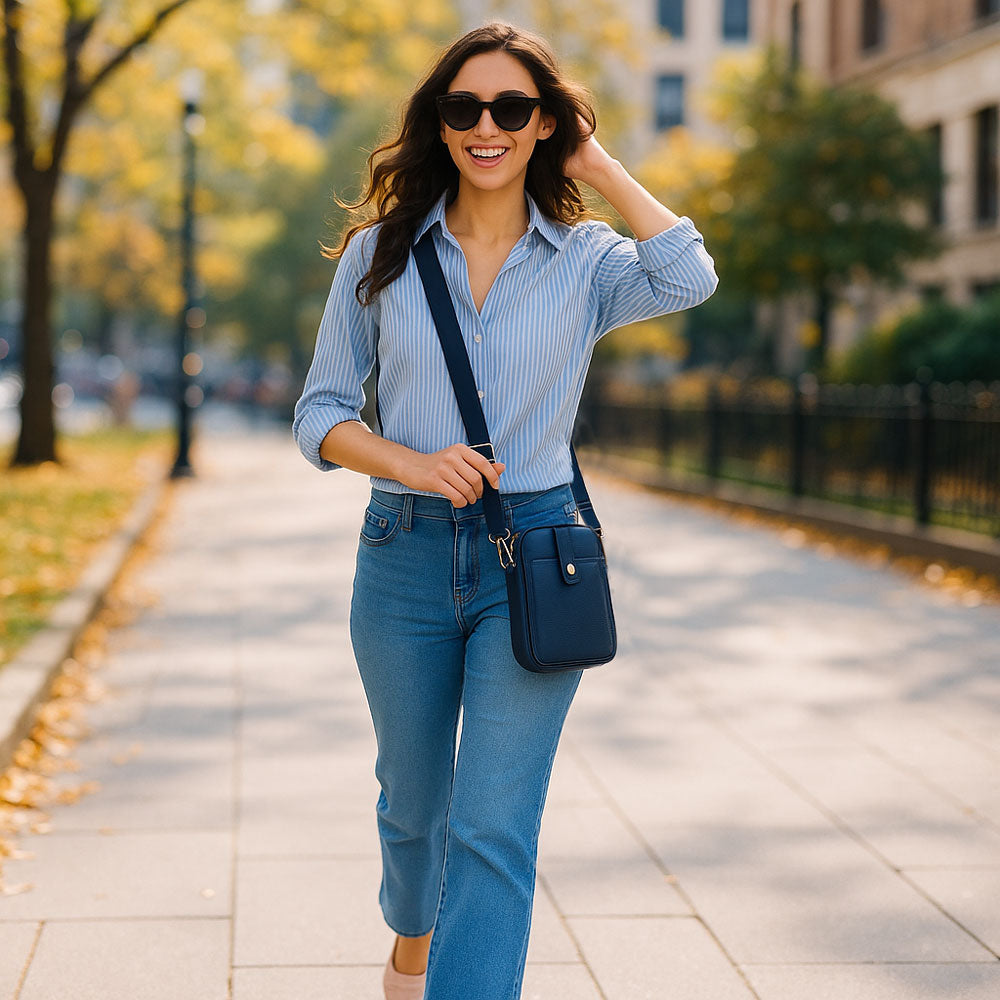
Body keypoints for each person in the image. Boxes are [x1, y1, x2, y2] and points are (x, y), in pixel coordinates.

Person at [292, 20, 718, 1000]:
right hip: (400, 553)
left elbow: (688, 273)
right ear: (438, 125)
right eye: (464, 107)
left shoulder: (585, 262)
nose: (486, 125)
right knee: (413, 809)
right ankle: (412, 941)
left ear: (542, 127)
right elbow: (318, 414)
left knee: (492, 821)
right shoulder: (377, 258)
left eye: (512, 108)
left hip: (532, 554)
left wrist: (599, 160)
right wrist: (407, 457)